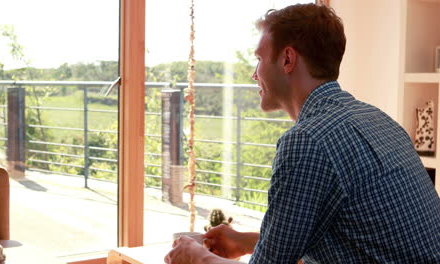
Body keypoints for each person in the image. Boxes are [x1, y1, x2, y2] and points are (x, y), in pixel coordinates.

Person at [165, 3, 440, 264]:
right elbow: (352, 239)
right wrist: (245, 241)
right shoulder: (376, 119)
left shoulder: (308, 140)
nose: (254, 74)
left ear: (287, 59)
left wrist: (196, 256)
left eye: (259, 59)